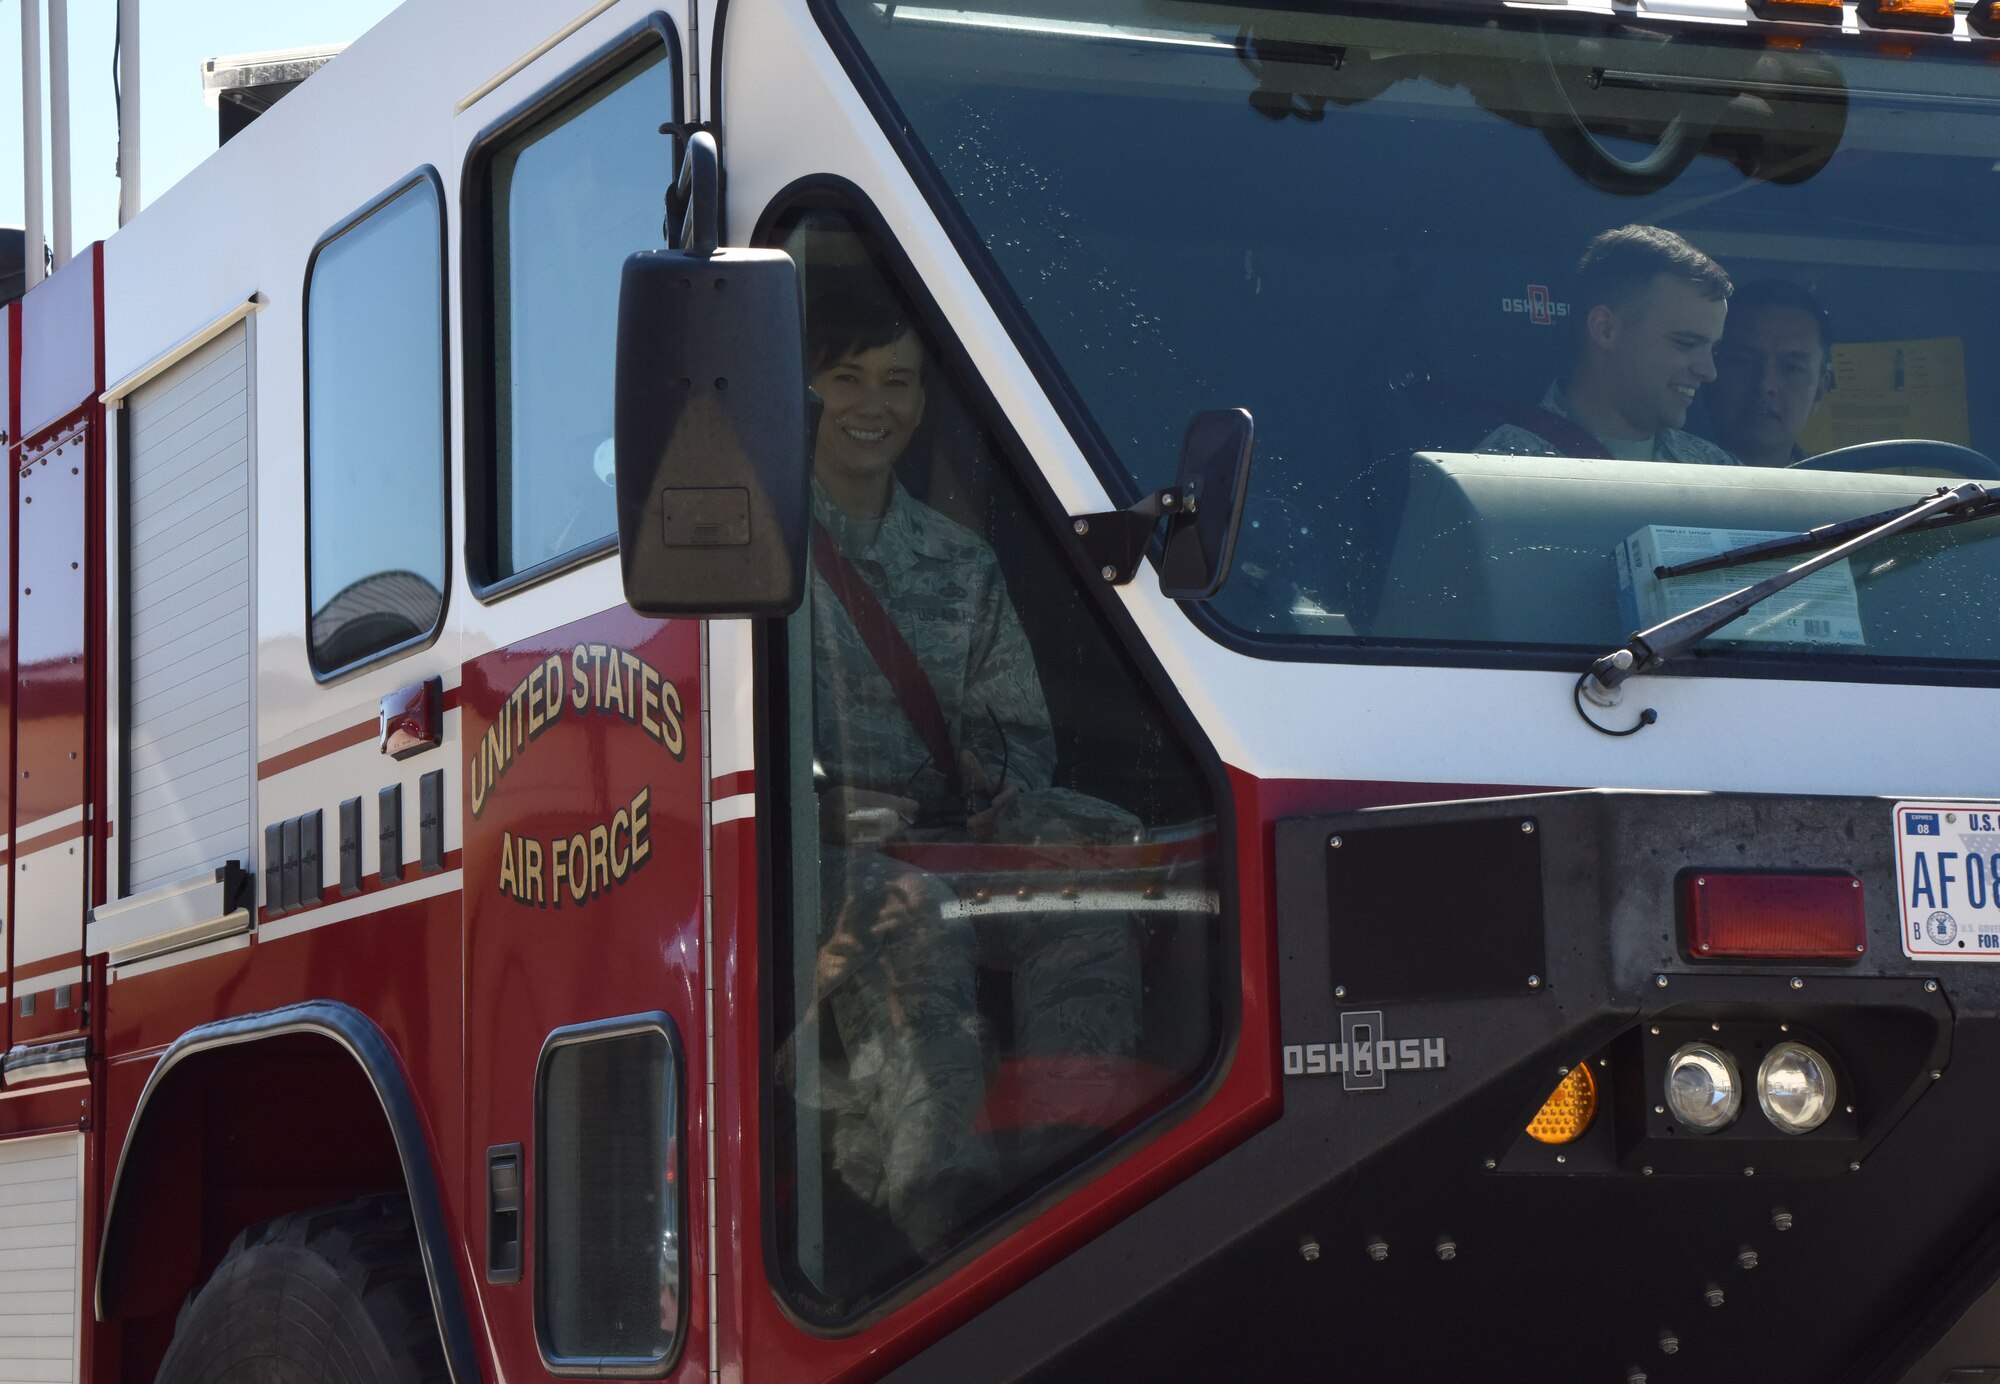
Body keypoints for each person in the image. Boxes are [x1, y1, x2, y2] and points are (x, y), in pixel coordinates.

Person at [800, 282, 1140, 1263]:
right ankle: (939, 1207)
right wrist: (817, 802)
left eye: (897, 381)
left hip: (953, 835)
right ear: (805, 394)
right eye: (846, 378)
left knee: (1086, 908)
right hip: (801, 853)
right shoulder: (753, 548)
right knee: (907, 912)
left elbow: (1021, 734)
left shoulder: (962, 563)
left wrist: (996, 778)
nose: (876, 405)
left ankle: (1068, 1177)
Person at [1479, 225, 1740, 464]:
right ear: (1605, 330)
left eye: (1713, 348)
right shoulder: (1507, 470)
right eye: (1686, 343)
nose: (1709, 371)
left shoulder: (1717, 470)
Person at [1707, 279, 1833, 468]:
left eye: (1791, 368)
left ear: (1820, 390)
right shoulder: (1658, 476)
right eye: (1743, 362)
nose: (1766, 384)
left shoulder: (1837, 493)